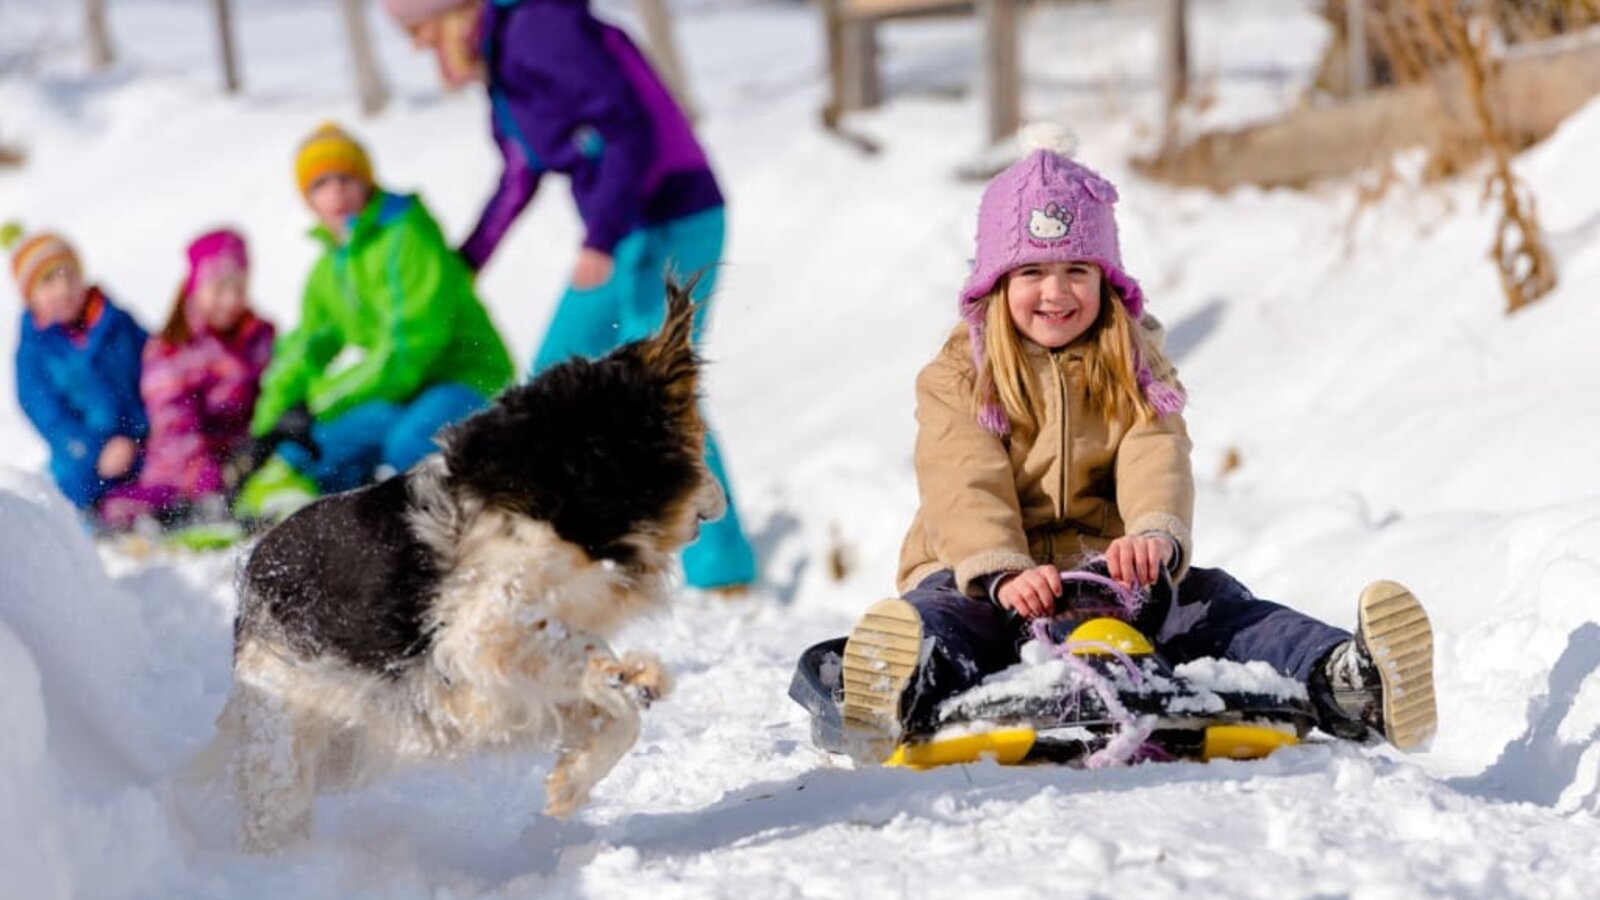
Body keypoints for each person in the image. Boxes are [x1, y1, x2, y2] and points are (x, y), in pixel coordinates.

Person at [812, 140, 1438, 763]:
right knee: (947, 622)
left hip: (1111, 575)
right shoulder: (959, 374)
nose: (1055, 292)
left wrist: (1154, 535)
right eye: (1031, 272)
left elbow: (1155, 451)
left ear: (1105, 281)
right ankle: (891, 688)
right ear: (996, 284)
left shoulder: (1133, 363)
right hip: (987, 579)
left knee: (1218, 607)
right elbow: (961, 478)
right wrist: (1001, 570)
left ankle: (1346, 679)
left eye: (1076, 271)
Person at [379, 0, 759, 593]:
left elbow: (623, 124)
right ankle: (583, 545)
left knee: (663, 390)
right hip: (622, 230)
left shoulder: (538, 26)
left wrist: (602, 238)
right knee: (556, 378)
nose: (419, 46)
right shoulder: (503, 59)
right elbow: (518, 172)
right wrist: (466, 263)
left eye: (418, 28)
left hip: (668, 216)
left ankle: (723, 573)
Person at [236, 123, 513, 521]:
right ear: (308, 199)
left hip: (464, 376)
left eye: (346, 179)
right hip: (405, 391)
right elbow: (307, 345)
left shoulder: (406, 235)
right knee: (319, 446)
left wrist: (317, 404)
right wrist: (269, 428)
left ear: (365, 181)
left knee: (409, 443)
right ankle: (324, 517)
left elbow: (409, 347)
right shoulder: (329, 270)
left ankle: (471, 524)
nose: (336, 194)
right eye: (321, 184)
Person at [98, 229, 276, 531]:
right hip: (181, 464)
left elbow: (272, 395)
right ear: (196, 287)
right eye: (219, 288)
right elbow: (174, 422)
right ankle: (150, 516)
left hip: (242, 457)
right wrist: (202, 470)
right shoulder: (172, 349)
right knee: (160, 500)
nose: (231, 300)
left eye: (239, 288)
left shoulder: (259, 338)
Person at [4, 221, 150, 523]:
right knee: (76, 485)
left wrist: (144, 429)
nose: (63, 288)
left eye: (69, 275)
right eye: (48, 282)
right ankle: (98, 519)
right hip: (86, 462)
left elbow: (154, 366)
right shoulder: (33, 353)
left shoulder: (116, 323)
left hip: (143, 441)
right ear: (30, 296)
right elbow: (48, 416)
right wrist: (95, 451)